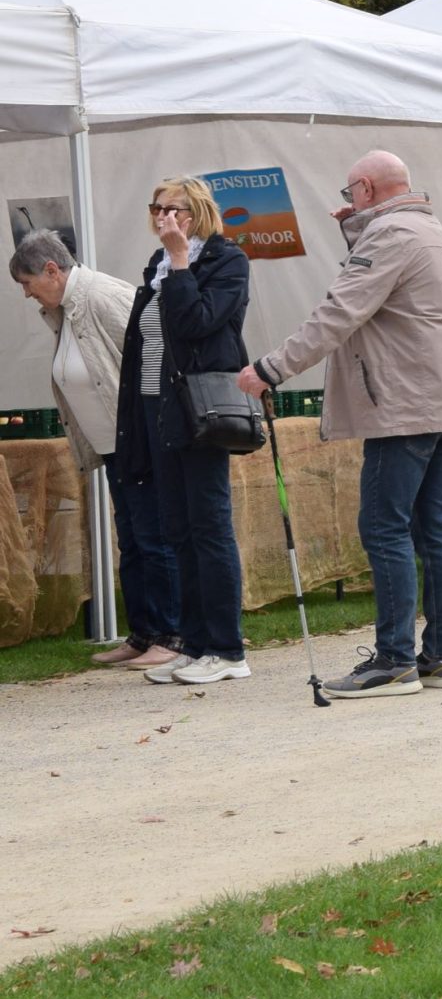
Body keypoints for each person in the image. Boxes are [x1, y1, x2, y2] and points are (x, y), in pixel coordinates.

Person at [241, 151, 442, 696]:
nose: (348, 204)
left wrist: (272, 368)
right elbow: (388, 298)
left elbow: (341, 310)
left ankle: (393, 661)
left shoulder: (389, 236)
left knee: (384, 526)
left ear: (366, 189)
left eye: (351, 196)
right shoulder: (428, 228)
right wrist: (356, 228)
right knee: (434, 529)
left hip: (405, 406)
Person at [12, 231, 176, 669]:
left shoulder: (102, 296)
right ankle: (144, 633)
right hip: (114, 447)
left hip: (141, 441)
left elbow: (157, 357)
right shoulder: (65, 310)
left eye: (27, 282)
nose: (27, 294)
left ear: (52, 270)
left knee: (154, 538)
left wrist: (152, 430)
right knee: (135, 541)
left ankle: (171, 635)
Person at [116, 178, 250, 687]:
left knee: (209, 527)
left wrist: (179, 263)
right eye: (155, 208)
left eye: (171, 209)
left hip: (200, 412)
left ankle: (228, 648)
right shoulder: (156, 265)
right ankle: (194, 645)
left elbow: (196, 323)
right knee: (177, 529)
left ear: (194, 214)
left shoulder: (225, 261)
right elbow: (143, 345)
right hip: (155, 409)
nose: (161, 218)